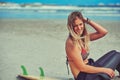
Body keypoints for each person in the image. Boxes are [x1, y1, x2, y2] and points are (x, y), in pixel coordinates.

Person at [65, 11, 120, 80]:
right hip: (84, 77)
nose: (79, 28)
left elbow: (103, 32)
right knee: (118, 56)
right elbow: (82, 67)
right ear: (71, 27)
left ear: (84, 24)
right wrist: (105, 70)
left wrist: (88, 20)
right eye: (75, 26)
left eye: (80, 24)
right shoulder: (72, 43)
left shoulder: (82, 38)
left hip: (89, 70)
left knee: (114, 52)